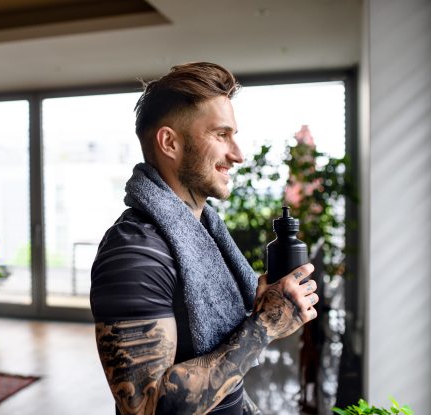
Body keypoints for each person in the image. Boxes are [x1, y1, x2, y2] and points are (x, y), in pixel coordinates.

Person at [90, 62, 319, 415]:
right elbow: (144, 406)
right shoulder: (134, 251)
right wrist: (264, 326)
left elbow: (228, 391)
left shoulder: (206, 234)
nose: (238, 154)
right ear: (170, 142)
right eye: (221, 135)